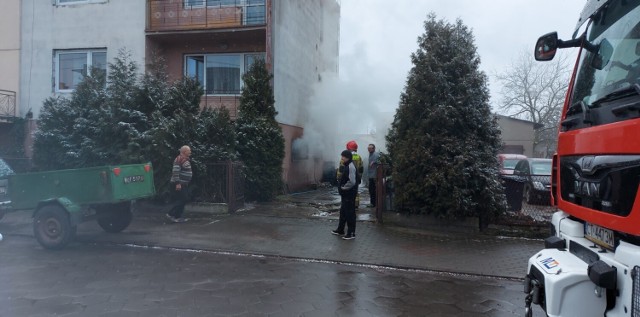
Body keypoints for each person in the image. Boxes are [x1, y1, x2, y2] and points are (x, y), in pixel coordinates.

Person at [332, 150, 358, 240]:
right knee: (343, 212)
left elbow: (352, 181)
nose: (341, 158)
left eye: (343, 156)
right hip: (346, 194)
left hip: (349, 194)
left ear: (347, 157)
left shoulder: (351, 166)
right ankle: (340, 230)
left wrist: (343, 188)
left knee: (350, 213)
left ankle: (351, 233)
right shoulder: (347, 165)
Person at [166, 145, 192, 223]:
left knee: (183, 199)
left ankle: (178, 217)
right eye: (189, 151)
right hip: (178, 183)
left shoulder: (185, 159)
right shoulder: (179, 159)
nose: (190, 152)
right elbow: (175, 172)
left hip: (183, 183)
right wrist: (178, 183)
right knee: (183, 199)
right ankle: (170, 213)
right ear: (184, 151)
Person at [337, 140, 363, 208]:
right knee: (355, 191)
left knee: (346, 192)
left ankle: (347, 205)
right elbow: (361, 168)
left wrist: (339, 177)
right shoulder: (358, 157)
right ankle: (356, 205)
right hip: (356, 177)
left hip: (346, 177)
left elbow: (341, 168)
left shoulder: (345, 157)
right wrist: (359, 177)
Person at [367, 144, 380, 208]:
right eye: (368, 148)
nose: (368, 149)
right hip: (371, 175)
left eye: (370, 148)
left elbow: (378, 161)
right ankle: (372, 203)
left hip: (374, 175)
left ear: (374, 149)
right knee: (371, 190)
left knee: (373, 190)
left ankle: (373, 203)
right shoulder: (370, 154)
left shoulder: (375, 154)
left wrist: (374, 162)